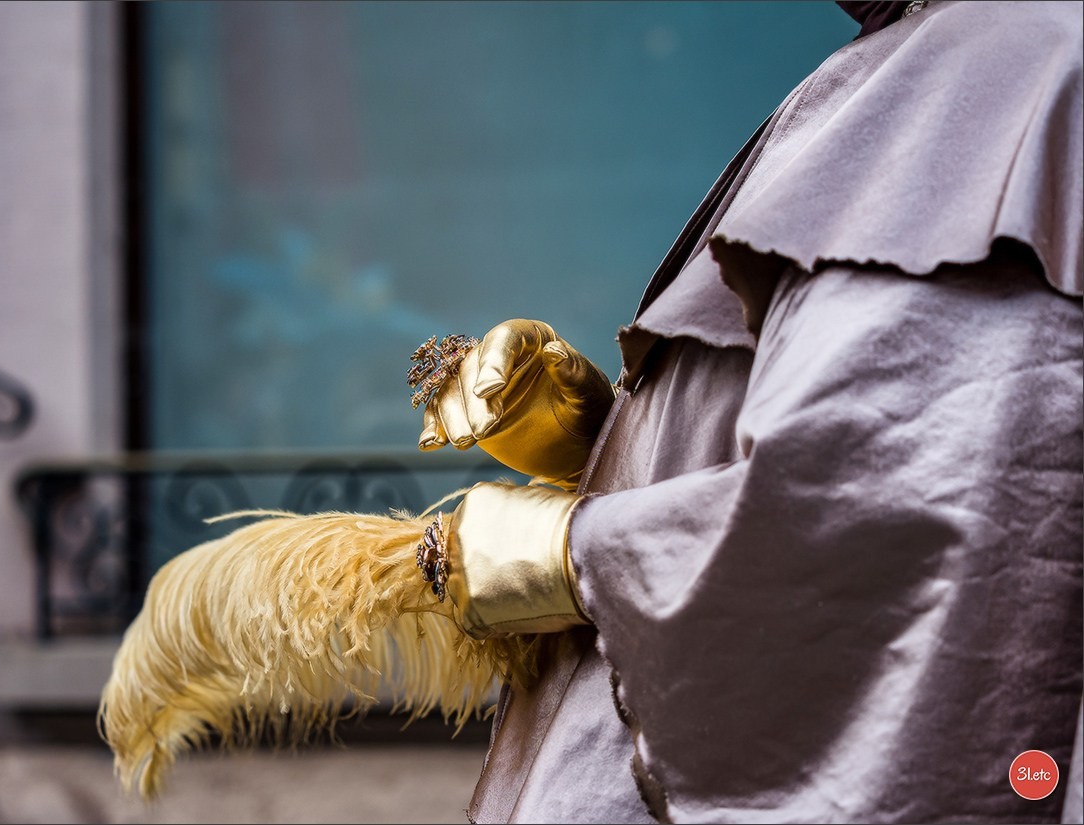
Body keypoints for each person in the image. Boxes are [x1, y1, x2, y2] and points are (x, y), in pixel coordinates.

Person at [413, 2, 1083, 822]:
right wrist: (613, 445)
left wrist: (562, 553)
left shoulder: (1011, 58)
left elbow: (898, 506)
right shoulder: (964, 52)